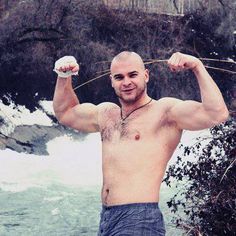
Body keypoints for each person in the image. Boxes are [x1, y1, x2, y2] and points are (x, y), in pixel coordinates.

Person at [53, 51, 229, 235]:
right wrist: (64, 76)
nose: (126, 82)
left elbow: (216, 114)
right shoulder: (106, 114)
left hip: (140, 220)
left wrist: (197, 66)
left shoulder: (164, 111)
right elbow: (65, 112)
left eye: (133, 75)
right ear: (111, 81)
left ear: (146, 75)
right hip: (107, 219)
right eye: (119, 77)